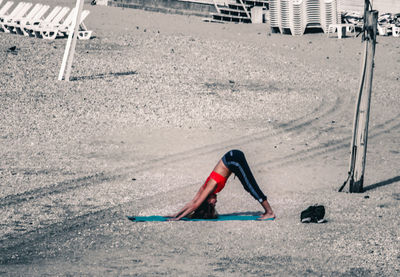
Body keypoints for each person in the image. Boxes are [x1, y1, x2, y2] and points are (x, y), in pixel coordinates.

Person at [168, 149, 275, 221]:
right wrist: (176, 214)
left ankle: (269, 212)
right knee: (248, 186)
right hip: (231, 159)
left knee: (250, 186)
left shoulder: (210, 187)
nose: (216, 202)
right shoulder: (204, 188)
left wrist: (177, 219)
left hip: (234, 159)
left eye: (213, 204)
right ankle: (268, 211)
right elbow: (192, 202)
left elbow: (196, 205)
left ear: (208, 200)